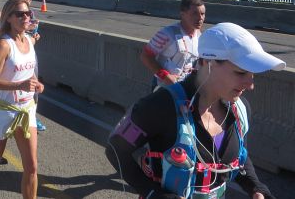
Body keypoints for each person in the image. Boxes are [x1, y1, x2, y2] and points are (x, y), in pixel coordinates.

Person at [106, 22, 285, 199]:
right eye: (240, 73)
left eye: (252, 75)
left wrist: (256, 188)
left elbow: (240, 157)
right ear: (208, 62)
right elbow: (115, 149)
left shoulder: (241, 109)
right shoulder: (160, 104)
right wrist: (155, 194)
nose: (250, 85)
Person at [0, 0, 44, 199]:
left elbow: (28, 72)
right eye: (20, 14)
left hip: (25, 110)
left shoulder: (30, 41)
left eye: (28, 13)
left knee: (31, 166)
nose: (26, 17)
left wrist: (35, 83)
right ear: (9, 18)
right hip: (3, 109)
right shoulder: (4, 45)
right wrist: (20, 85)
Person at [141, 0, 205, 89]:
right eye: (195, 13)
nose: (200, 18)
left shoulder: (199, 36)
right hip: (163, 86)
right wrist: (165, 76)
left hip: (185, 86)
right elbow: (145, 56)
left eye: (202, 14)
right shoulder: (167, 33)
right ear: (183, 14)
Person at [14, 0, 45, 132]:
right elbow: (10, 30)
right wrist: (28, 28)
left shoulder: (31, 13)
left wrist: (35, 36)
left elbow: (29, 34)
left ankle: (32, 117)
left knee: (34, 85)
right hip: (15, 53)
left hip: (29, 52)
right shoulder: (13, 11)